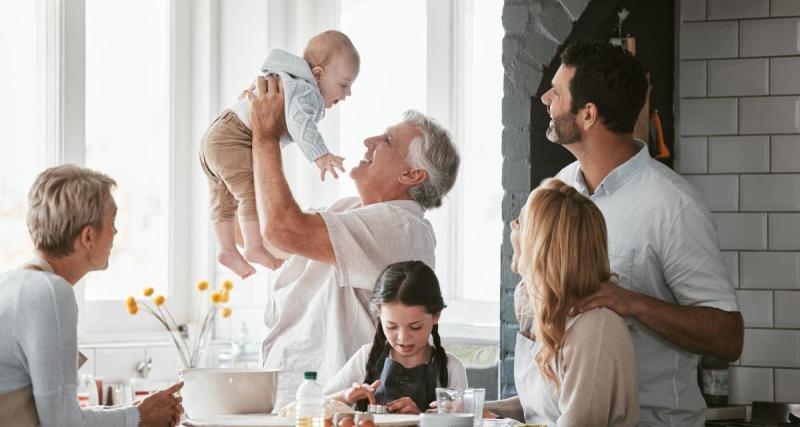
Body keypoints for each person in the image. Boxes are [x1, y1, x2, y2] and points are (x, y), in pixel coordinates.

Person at [541, 40, 741, 426]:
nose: (546, 98)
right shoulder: (555, 191)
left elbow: (728, 337)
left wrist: (631, 302)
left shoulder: (673, 206)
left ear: (588, 114)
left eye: (558, 92)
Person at [246, 75, 461, 407]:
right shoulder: (350, 210)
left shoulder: (400, 226)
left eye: (387, 140)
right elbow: (267, 240)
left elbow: (280, 228)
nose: (369, 141)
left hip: (335, 407)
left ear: (411, 175)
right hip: (299, 403)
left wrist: (265, 136)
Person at [0, 164, 184, 427]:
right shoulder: (50, 293)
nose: (116, 233)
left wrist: (133, 411)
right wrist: (140, 416)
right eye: (113, 222)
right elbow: (62, 423)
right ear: (88, 236)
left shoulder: (12, 283)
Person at [199, 30, 359, 278]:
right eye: (344, 84)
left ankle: (226, 248)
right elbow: (300, 124)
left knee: (222, 196)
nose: (347, 95)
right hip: (236, 137)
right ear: (317, 74)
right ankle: (253, 247)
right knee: (251, 192)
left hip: (215, 136)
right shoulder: (306, 91)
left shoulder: (282, 77)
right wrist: (321, 155)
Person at [507, 178, 638, 426]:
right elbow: (539, 404)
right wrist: (469, 410)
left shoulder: (594, 328)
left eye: (519, 223)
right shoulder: (550, 313)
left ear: (541, 245)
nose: (512, 229)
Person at [324, 261, 468, 414]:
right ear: (379, 316)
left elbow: (464, 421)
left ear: (436, 315)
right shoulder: (366, 357)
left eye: (415, 327)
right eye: (391, 326)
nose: (403, 338)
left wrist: (421, 417)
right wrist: (346, 397)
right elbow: (315, 406)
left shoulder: (450, 368)